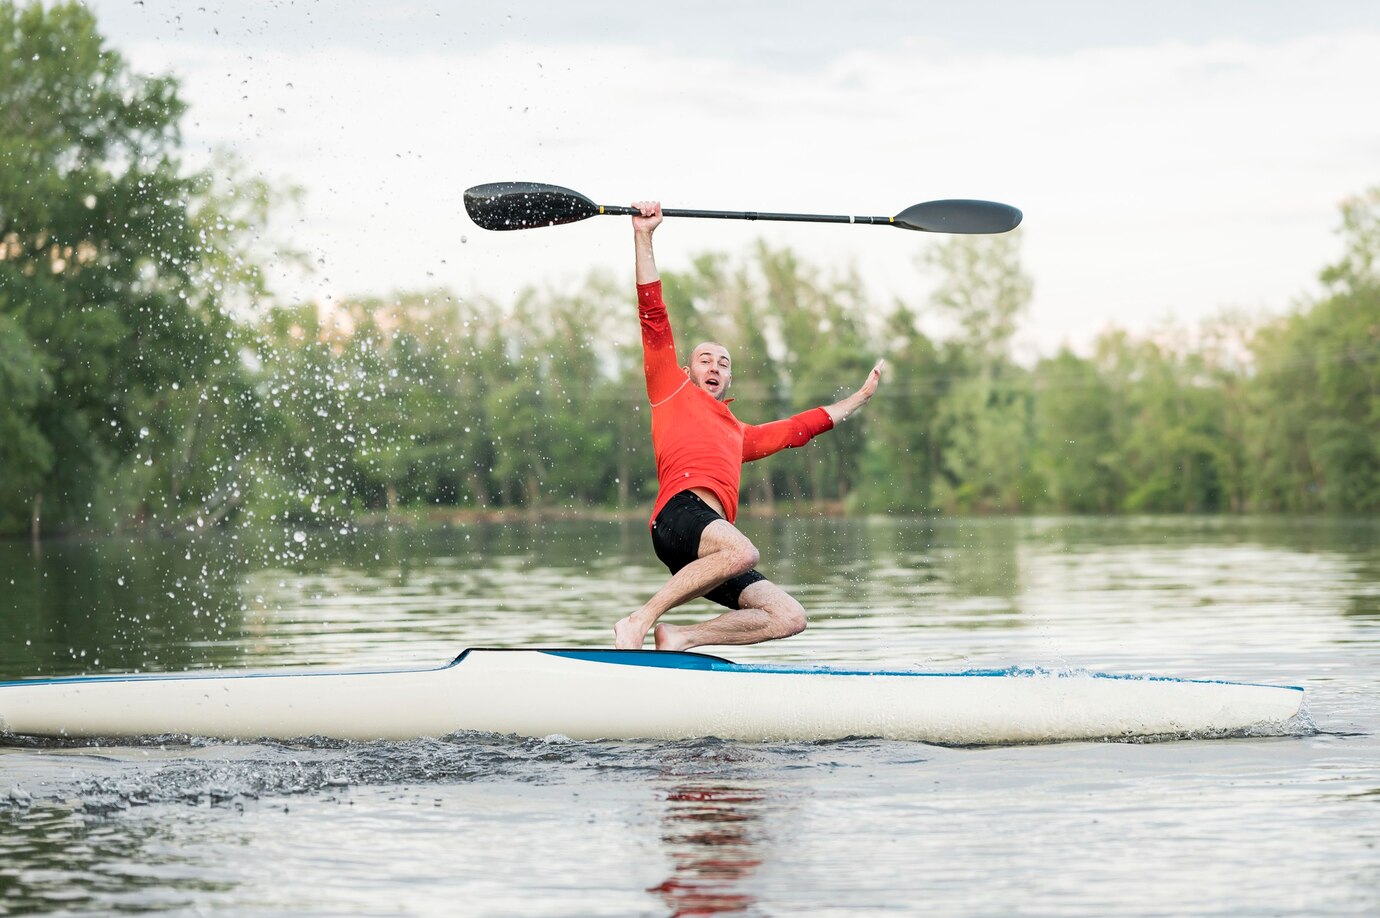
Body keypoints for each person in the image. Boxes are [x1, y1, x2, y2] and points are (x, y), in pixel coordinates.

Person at [614, 201, 884, 652]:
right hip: (678, 518)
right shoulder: (670, 389)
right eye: (705, 359)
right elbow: (653, 314)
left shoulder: (739, 434)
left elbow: (799, 428)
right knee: (743, 550)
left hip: (711, 543)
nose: (715, 366)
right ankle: (639, 620)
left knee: (788, 616)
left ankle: (680, 637)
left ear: (730, 378)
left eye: (724, 362)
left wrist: (859, 399)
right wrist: (644, 235)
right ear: (688, 369)